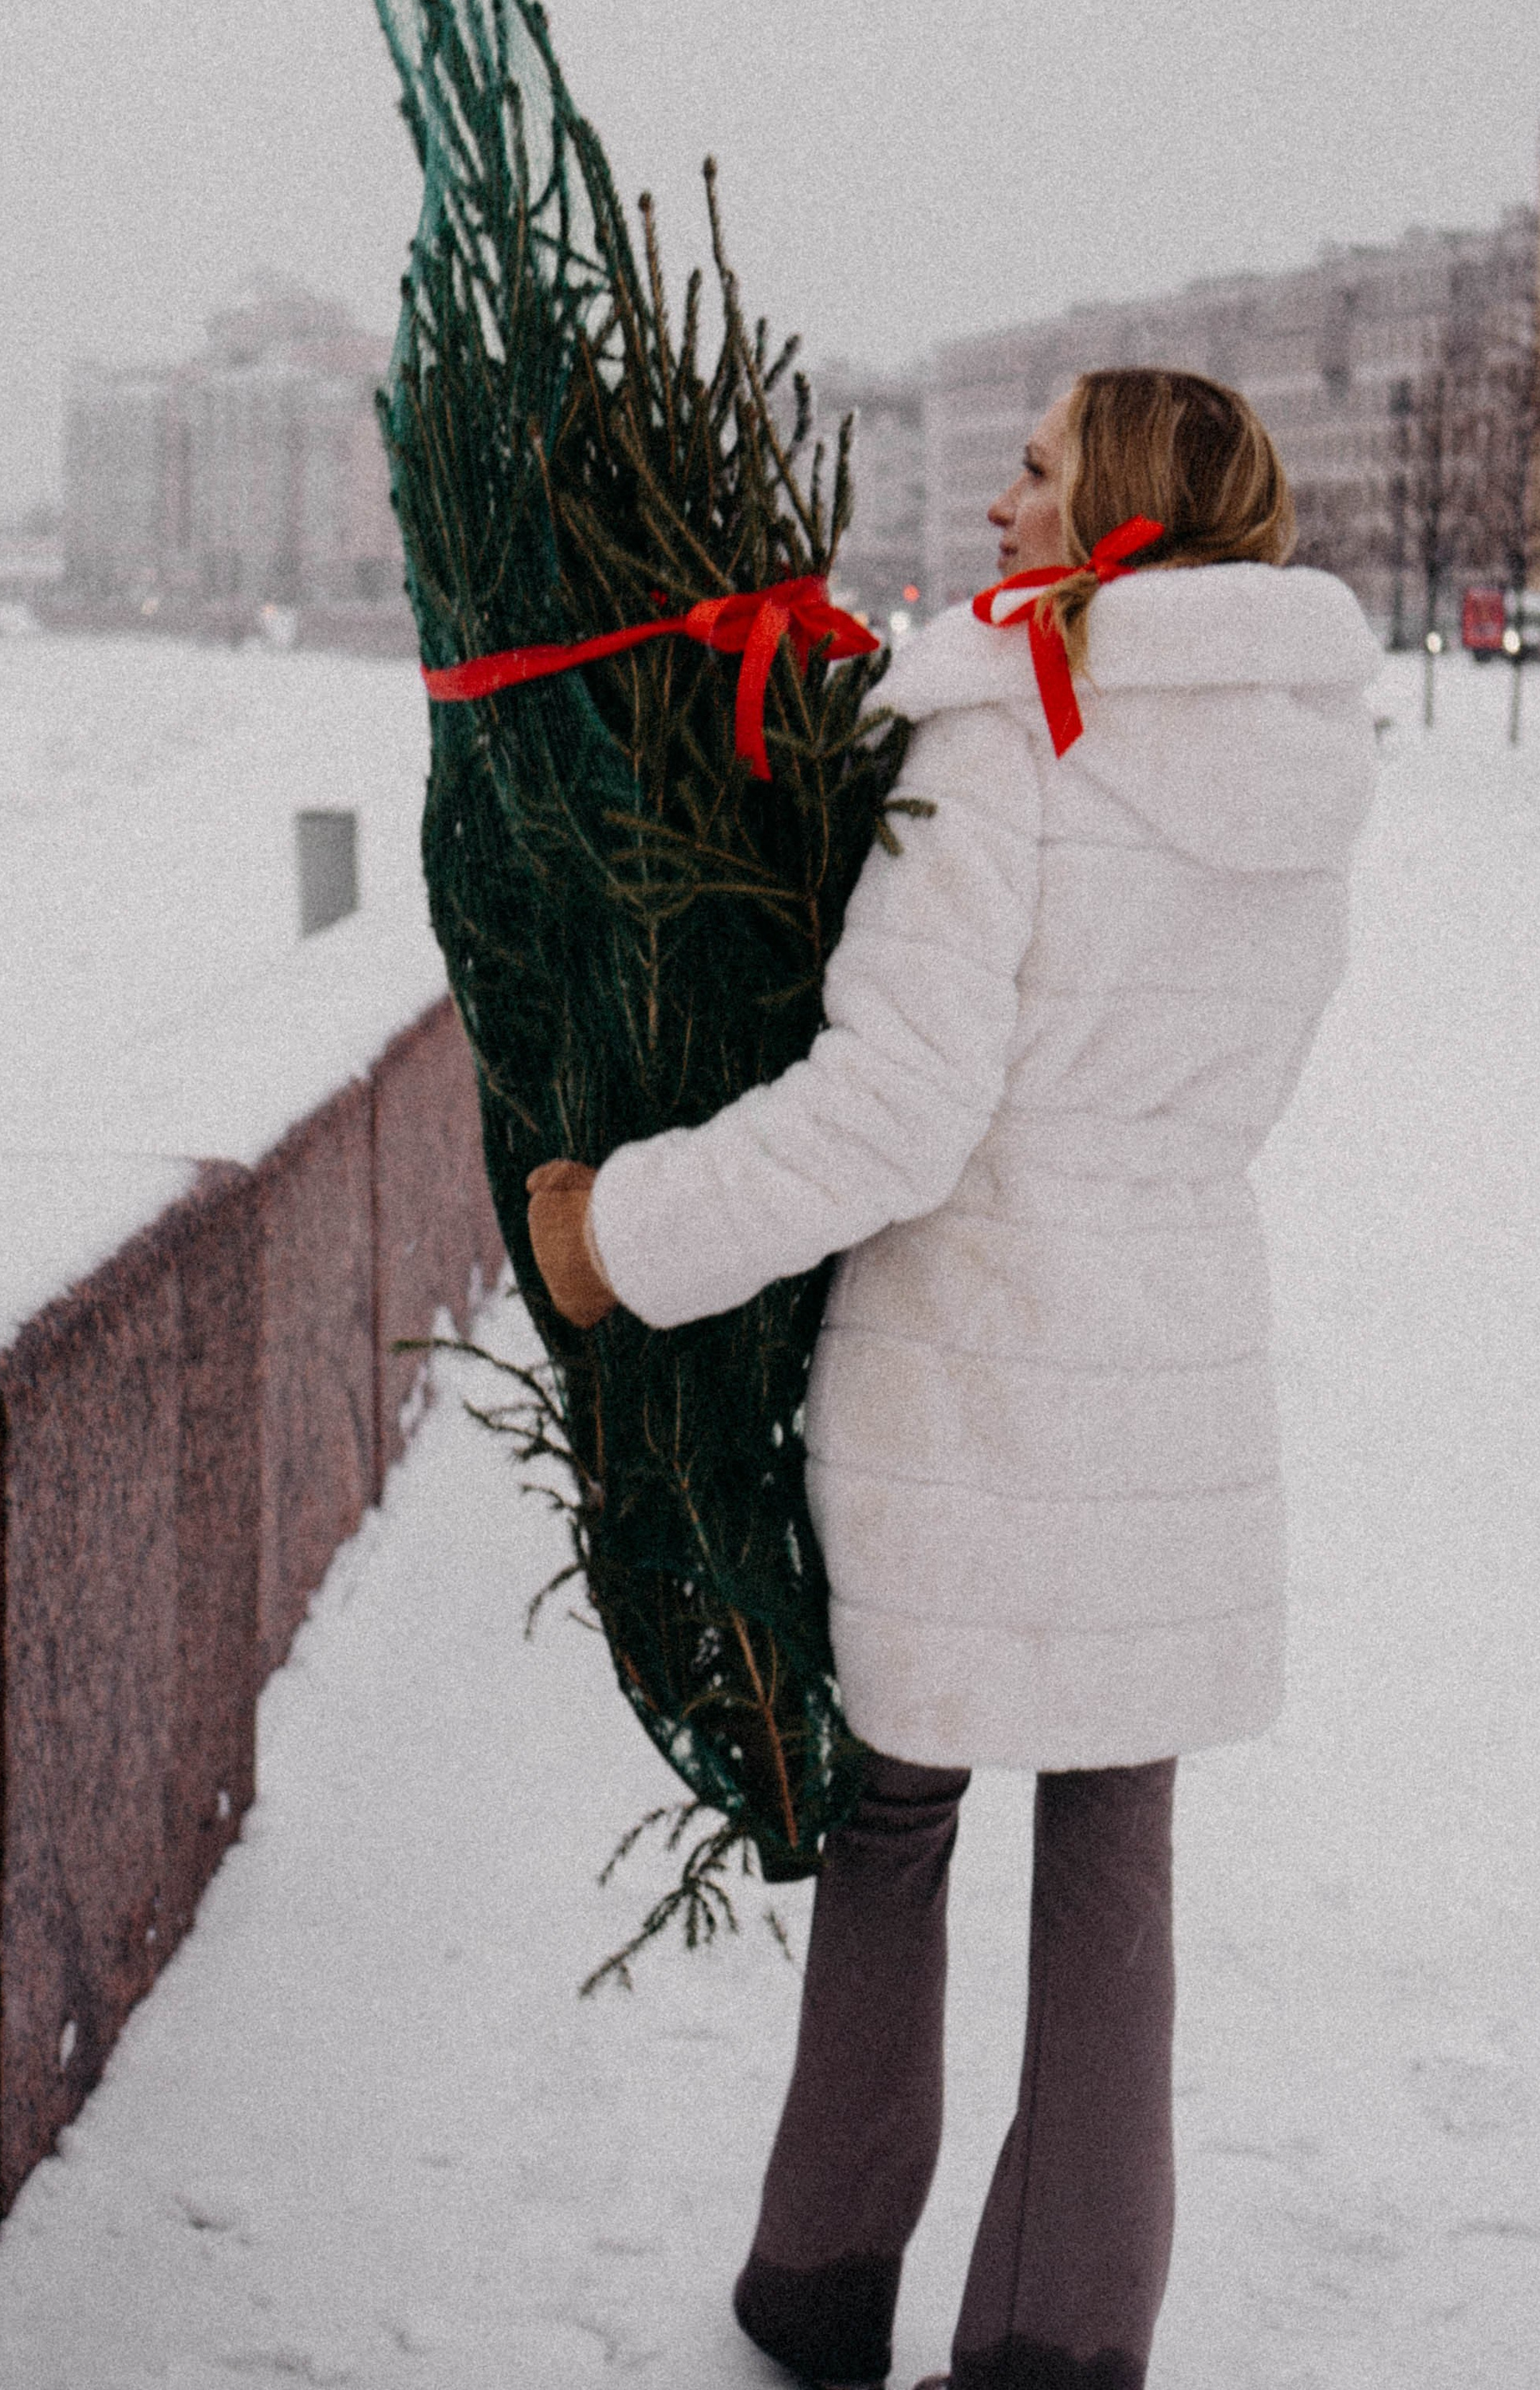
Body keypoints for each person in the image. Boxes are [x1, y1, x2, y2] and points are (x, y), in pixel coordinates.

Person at [526, 368, 1380, 2390]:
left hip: (977, 1377)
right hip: (1172, 1364)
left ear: (1123, 509)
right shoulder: (1297, 761)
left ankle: (817, 2292)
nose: (997, 506)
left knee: (895, 1821)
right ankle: (1057, 2352)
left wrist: (614, 1236)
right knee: (1114, 1866)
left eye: (1033, 470)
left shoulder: (1011, 731)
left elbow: (893, 1114)